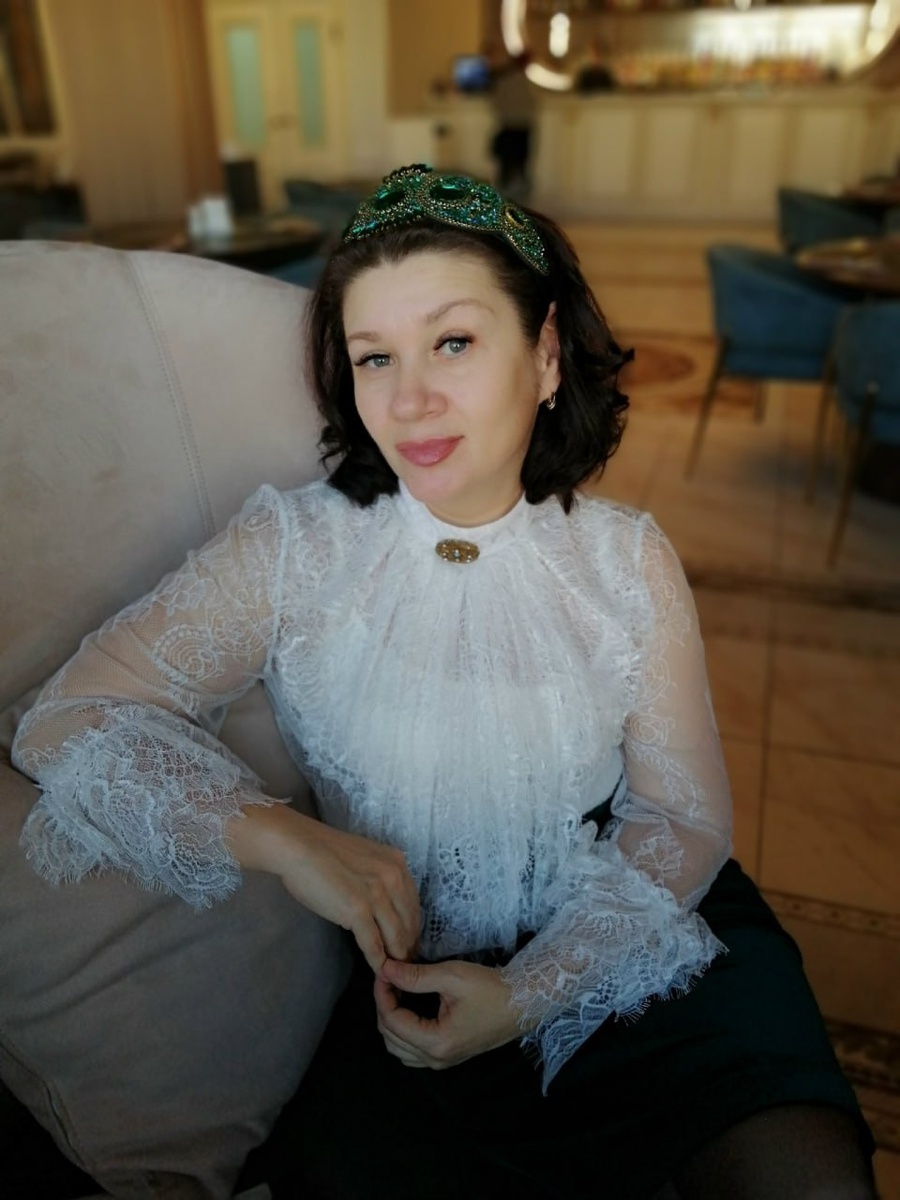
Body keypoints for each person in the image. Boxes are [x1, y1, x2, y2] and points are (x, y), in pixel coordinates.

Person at [12, 164, 875, 1199]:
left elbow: (682, 821)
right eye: (375, 357)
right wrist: (284, 838)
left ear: (545, 355)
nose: (409, 399)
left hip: (630, 944)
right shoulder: (294, 552)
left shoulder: (626, 560)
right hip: (413, 999)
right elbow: (69, 719)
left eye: (453, 342)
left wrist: (532, 992)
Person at [488, 51, 537, 202]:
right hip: (522, 127)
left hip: (507, 127)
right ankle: (521, 199)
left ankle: (502, 197)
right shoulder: (526, 83)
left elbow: (496, 104)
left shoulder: (503, 81)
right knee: (521, 164)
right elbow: (533, 103)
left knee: (505, 165)